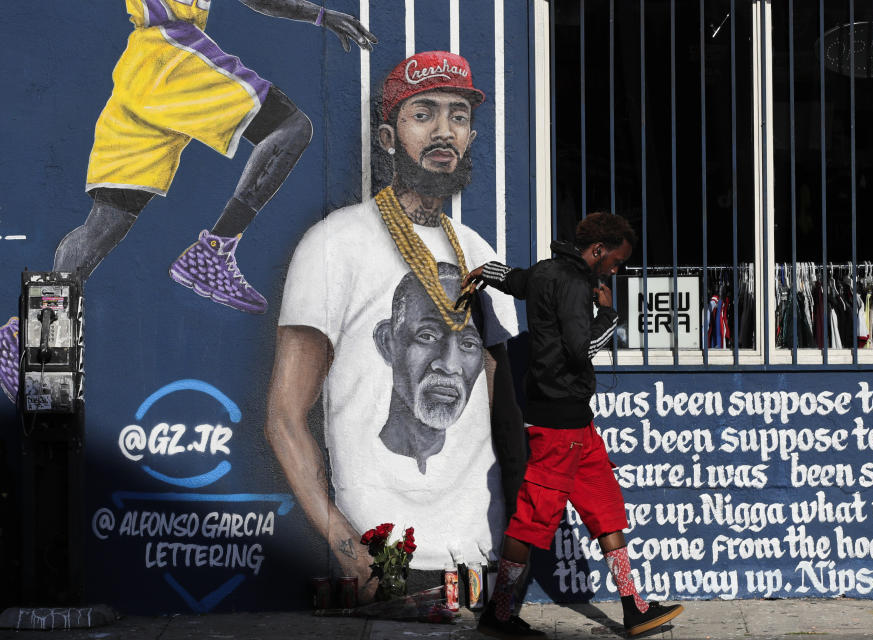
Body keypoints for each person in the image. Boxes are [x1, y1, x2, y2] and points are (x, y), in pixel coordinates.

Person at [0, 0, 375, 404]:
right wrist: (318, 14)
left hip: (139, 68)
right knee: (290, 126)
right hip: (172, 50)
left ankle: (36, 347)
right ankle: (213, 251)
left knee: (106, 220)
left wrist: (317, 15)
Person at [264, 51, 525, 601]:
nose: (444, 132)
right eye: (423, 114)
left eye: (458, 116)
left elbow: (505, 412)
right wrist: (344, 543)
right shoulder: (335, 245)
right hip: (375, 572)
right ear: (387, 137)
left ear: (472, 136)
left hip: (476, 566)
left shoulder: (478, 252)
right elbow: (285, 417)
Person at [462, 212, 684, 638]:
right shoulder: (576, 284)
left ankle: (634, 607)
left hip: (578, 426)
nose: (616, 270)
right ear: (597, 250)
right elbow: (581, 350)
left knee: (606, 509)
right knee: (531, 519)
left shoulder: (546, 272)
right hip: (557, 427)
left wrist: (485, 272)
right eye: (615, 262)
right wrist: (608, 316)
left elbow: (517, 280)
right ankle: (500, 612)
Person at [374, 263, 486, 473]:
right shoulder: (360, 463)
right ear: (388, 343)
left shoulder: (482, 473)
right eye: (428, 336)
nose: (450, 365)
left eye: (468, 344)